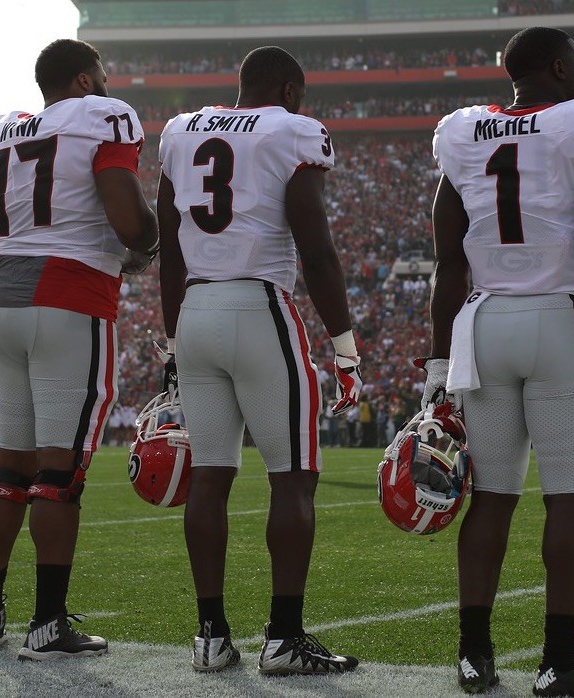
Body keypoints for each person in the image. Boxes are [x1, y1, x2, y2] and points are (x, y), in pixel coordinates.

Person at [425, 27, 574, 696]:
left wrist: (438, 357)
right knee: (570, 503)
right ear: (561, 68)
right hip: (556, 319)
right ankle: (557, 664)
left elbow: (448, 259)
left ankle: (474, 653)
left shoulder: (463, 132)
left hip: (483, 324)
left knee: (491, 498)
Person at [156, 46, 362, 675]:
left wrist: (170, 339)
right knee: (293, 475)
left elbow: (169, 251)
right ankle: (285, 635)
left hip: (195, 312)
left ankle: (211, 635)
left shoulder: (179, 130)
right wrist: (344, 344)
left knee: (210, 476)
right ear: (292, 92)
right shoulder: (290, 131)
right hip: (259, 306)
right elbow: (317, 249)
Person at [0, 39, 158, 659]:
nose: (107, 84)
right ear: (83, 80)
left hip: (1, 298)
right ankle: (48, 625)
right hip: (68, 295)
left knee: (8, 468)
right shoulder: (104, 114)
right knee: (58, 472)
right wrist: (152, 241)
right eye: (101, 75)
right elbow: (129, 220)